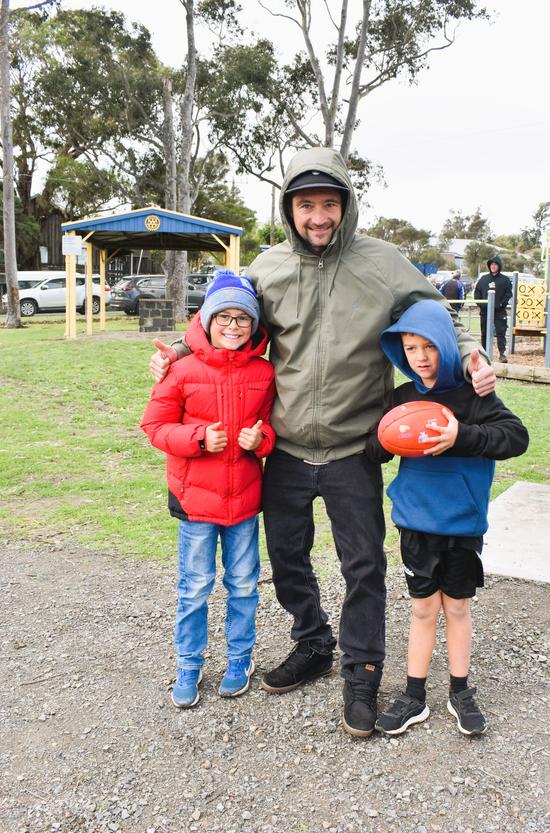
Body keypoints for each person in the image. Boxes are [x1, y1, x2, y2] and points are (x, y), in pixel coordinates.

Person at [149, 146, 498, 737]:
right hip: (281, 445)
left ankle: (361, 671)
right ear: (290, 209)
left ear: (346, 206)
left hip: (355, 444)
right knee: (287, 559)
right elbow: (222, 314)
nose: (317, 216)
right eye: (305, 205)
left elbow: (437, 312)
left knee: (363, 564)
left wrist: (470, 353)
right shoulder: (268, 267)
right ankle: (312, 643)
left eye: (328, 203)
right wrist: (181, 352)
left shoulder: (384, 263)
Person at [365, 299, 528, 737]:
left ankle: (460, 691)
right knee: (422, 610)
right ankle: (414, 696)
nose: (420, 357)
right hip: (417, 522)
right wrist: (386, 441)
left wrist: (461, 435)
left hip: (462, 522)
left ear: (446, 346)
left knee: (456, 606)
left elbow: (516, 437)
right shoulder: (402, 398)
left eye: (429, 347)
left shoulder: (474, 396)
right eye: (411, 348)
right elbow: (376, 447)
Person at [141, 271, 276, 708]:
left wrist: (262, 442)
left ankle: (240, 659)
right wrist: (199, 439)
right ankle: (188, 663)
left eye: (243, 318)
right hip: (195, 501)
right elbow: (155, 425)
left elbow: (274, 428)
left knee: (243, 585)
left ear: (254, 325)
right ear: (207, 319)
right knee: (195, 586)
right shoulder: (180, 370)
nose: (233, 326)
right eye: (224, 317)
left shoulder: (265, 372)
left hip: (244, 503)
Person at [473, 255, 512, 363]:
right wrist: (481, 304)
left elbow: (509, 294)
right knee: (484, 333)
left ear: (499, 266)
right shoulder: (484, 279)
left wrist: (501, 304)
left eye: (495, 264)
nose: (493, 266)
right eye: (491, 264)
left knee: (501, 332)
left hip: (499, 312)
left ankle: (502, 354)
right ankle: (484, 354)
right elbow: (477, 292)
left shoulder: (505, 280)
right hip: (485, 312)